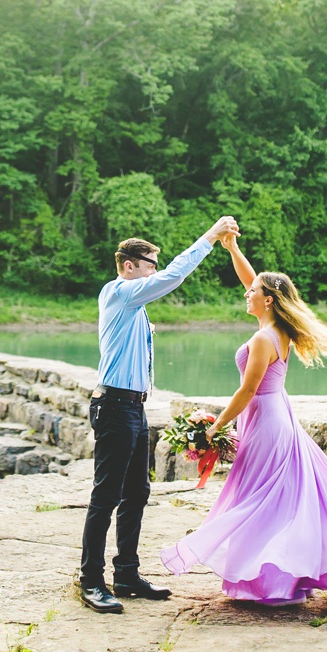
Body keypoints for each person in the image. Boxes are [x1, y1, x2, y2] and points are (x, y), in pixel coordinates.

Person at [159, 231, 327, 604]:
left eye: (252, 292)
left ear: (267, 300)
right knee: (273, 497)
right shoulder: (275, 328)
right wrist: (232, 248)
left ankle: (267, 580)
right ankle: (278, 577)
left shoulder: (264, 339)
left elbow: (247, 391)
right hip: (275, 415)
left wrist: (216, 426)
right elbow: (252, 280)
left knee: (259, 498)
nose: (246, 293)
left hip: (265, 419)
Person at [78, 215, 240, 614]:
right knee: (106, 497)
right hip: (114, 406)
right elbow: (174, 276)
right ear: (130, 265)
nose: (155, 271)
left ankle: (127, 574)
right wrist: (209, 236)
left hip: (134, 406)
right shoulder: (120, 292)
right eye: (150, 264)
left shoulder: (135, 302)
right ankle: (90, 581)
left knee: (137, 493)